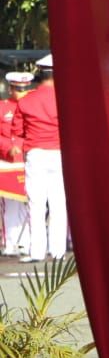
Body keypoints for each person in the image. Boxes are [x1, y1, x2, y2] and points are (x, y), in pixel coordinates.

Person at [12, 55, 66, 262]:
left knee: (36, 204)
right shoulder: (64, 98)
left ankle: (36, 252)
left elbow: (17, 130)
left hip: (35, 154)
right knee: (58, 202)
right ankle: (58, 251)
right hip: (59, 153)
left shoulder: (27, 101)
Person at [0, 71, 34, 256]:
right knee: (10, 204)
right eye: (18, 89)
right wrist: (8, 148)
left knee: (31, 203)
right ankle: (10, 243)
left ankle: (27, 242)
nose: (22, 92)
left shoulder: (33, 105)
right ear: (11, 88)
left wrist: (22, 147)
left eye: (25, 89)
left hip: (28, 160)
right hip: (6, 162)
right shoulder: (2, 107)